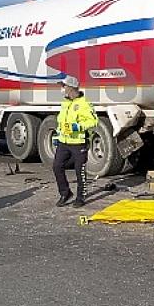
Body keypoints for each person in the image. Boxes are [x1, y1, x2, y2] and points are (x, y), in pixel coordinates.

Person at [52, 76, 98, 208]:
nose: (62, 89)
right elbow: (61, 121)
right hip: (64, 142)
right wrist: (58, 134)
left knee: (80, 171)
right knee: (57, 166)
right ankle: (65, 193)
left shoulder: (84, 104)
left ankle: (80, 197)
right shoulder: (65, 103)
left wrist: (77, 127)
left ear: (71, 88)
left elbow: (93, 121)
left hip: (79, 143)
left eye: (64, 86)